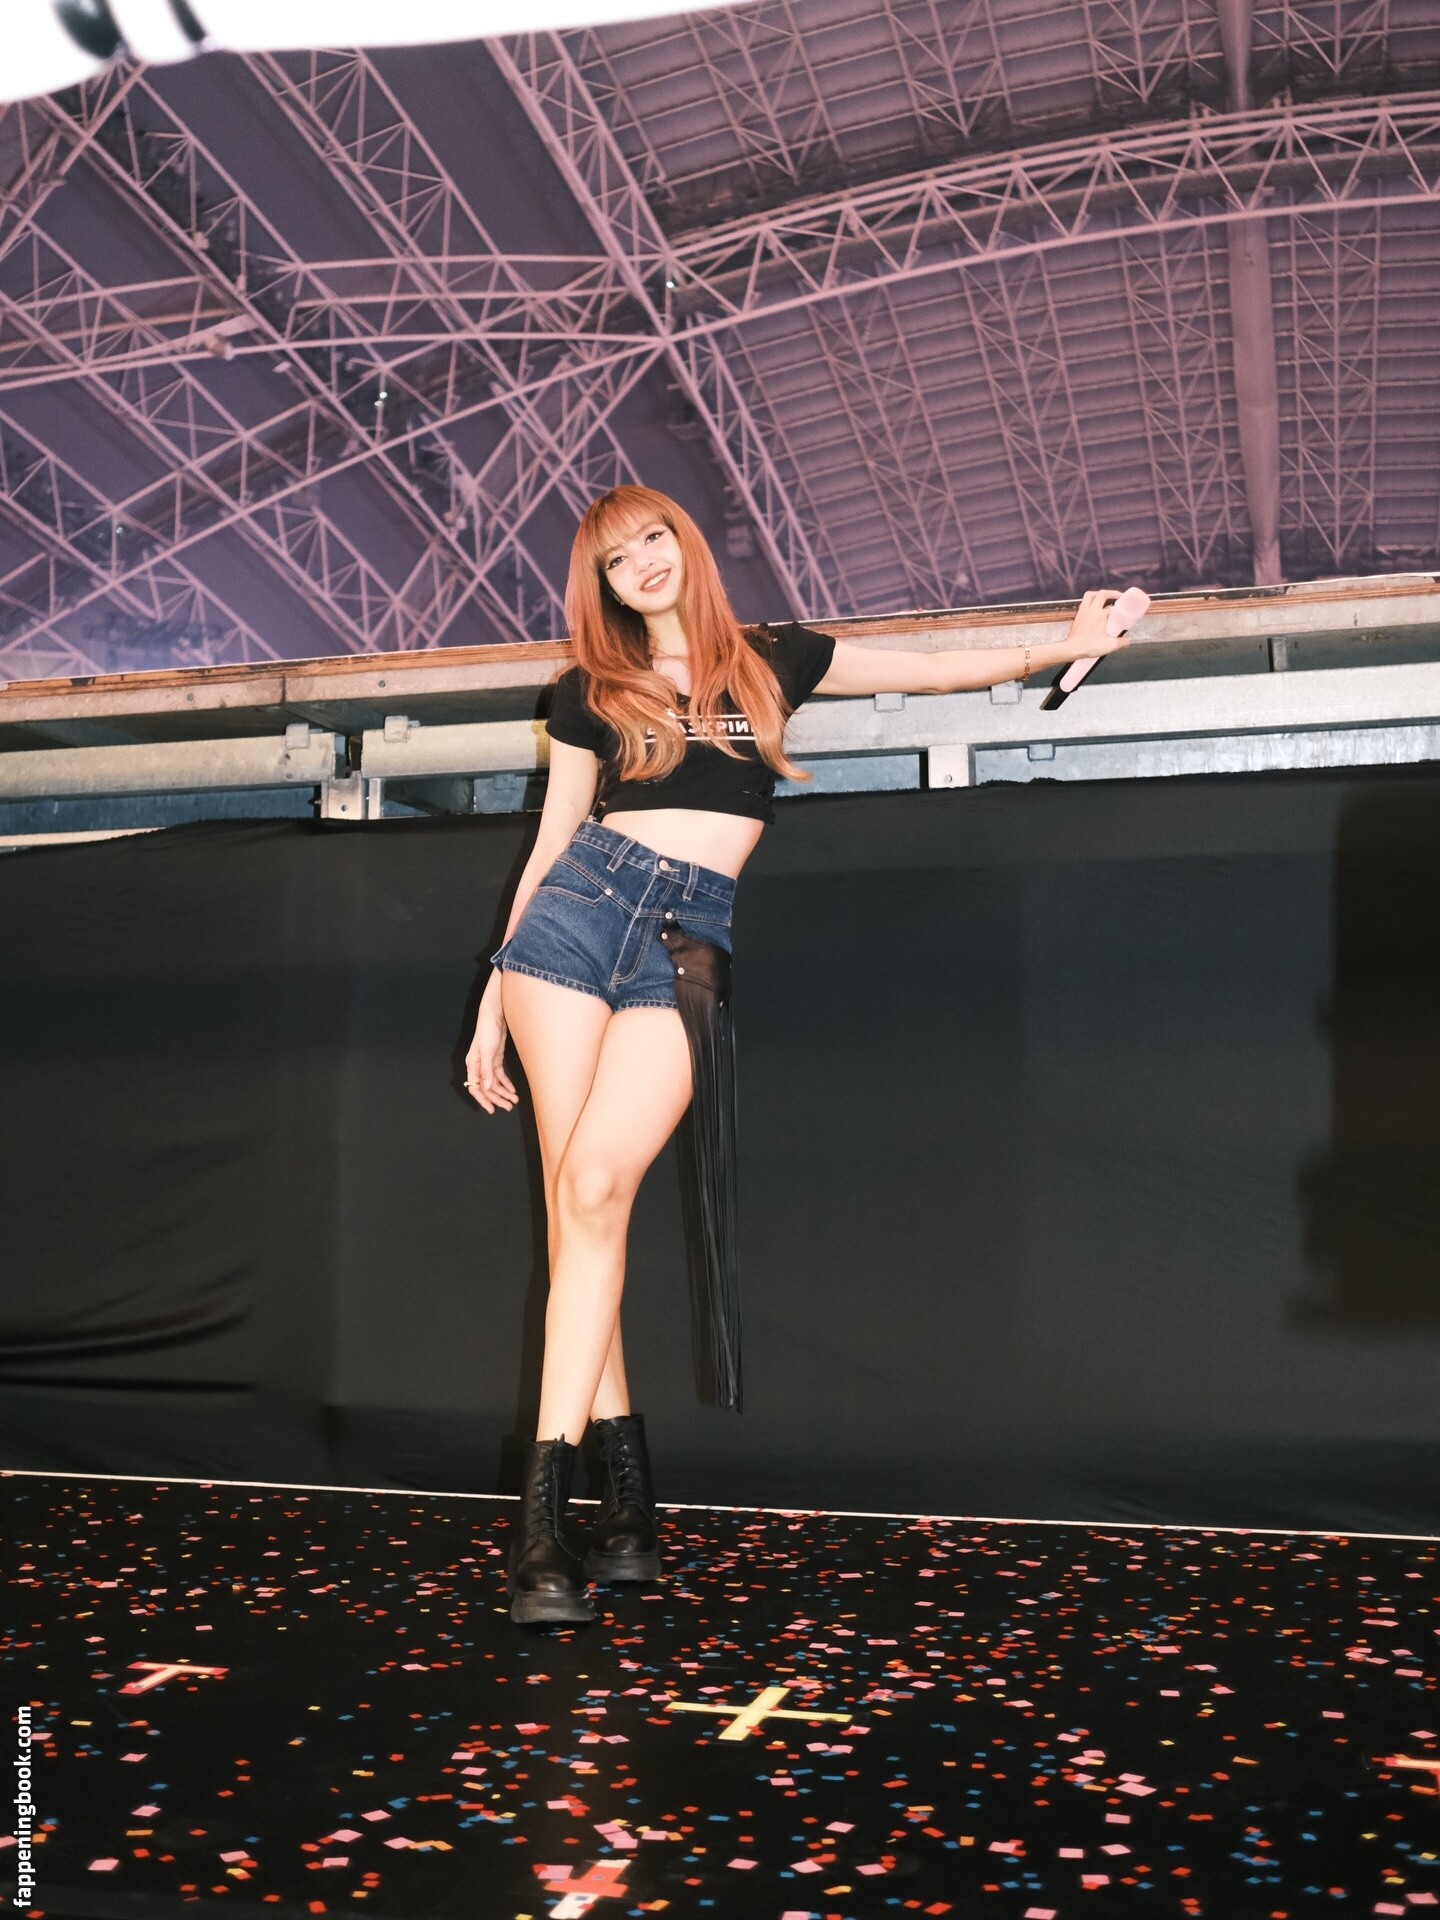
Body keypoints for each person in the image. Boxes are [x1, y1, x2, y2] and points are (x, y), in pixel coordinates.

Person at [465, 484, 1129, 1626]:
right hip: (570, 923)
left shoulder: (775, 658)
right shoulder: (588, 690)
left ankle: (614, 1507)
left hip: (688, 940)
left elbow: (934, 673)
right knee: (581, 1217)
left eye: (654, 538)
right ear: (603, 585)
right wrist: (491, 996)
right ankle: (566, 1524)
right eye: (617, 559)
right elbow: (551, 838)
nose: (643, 563)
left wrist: (1065, 646)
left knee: (597, 1188)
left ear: (685, 542)